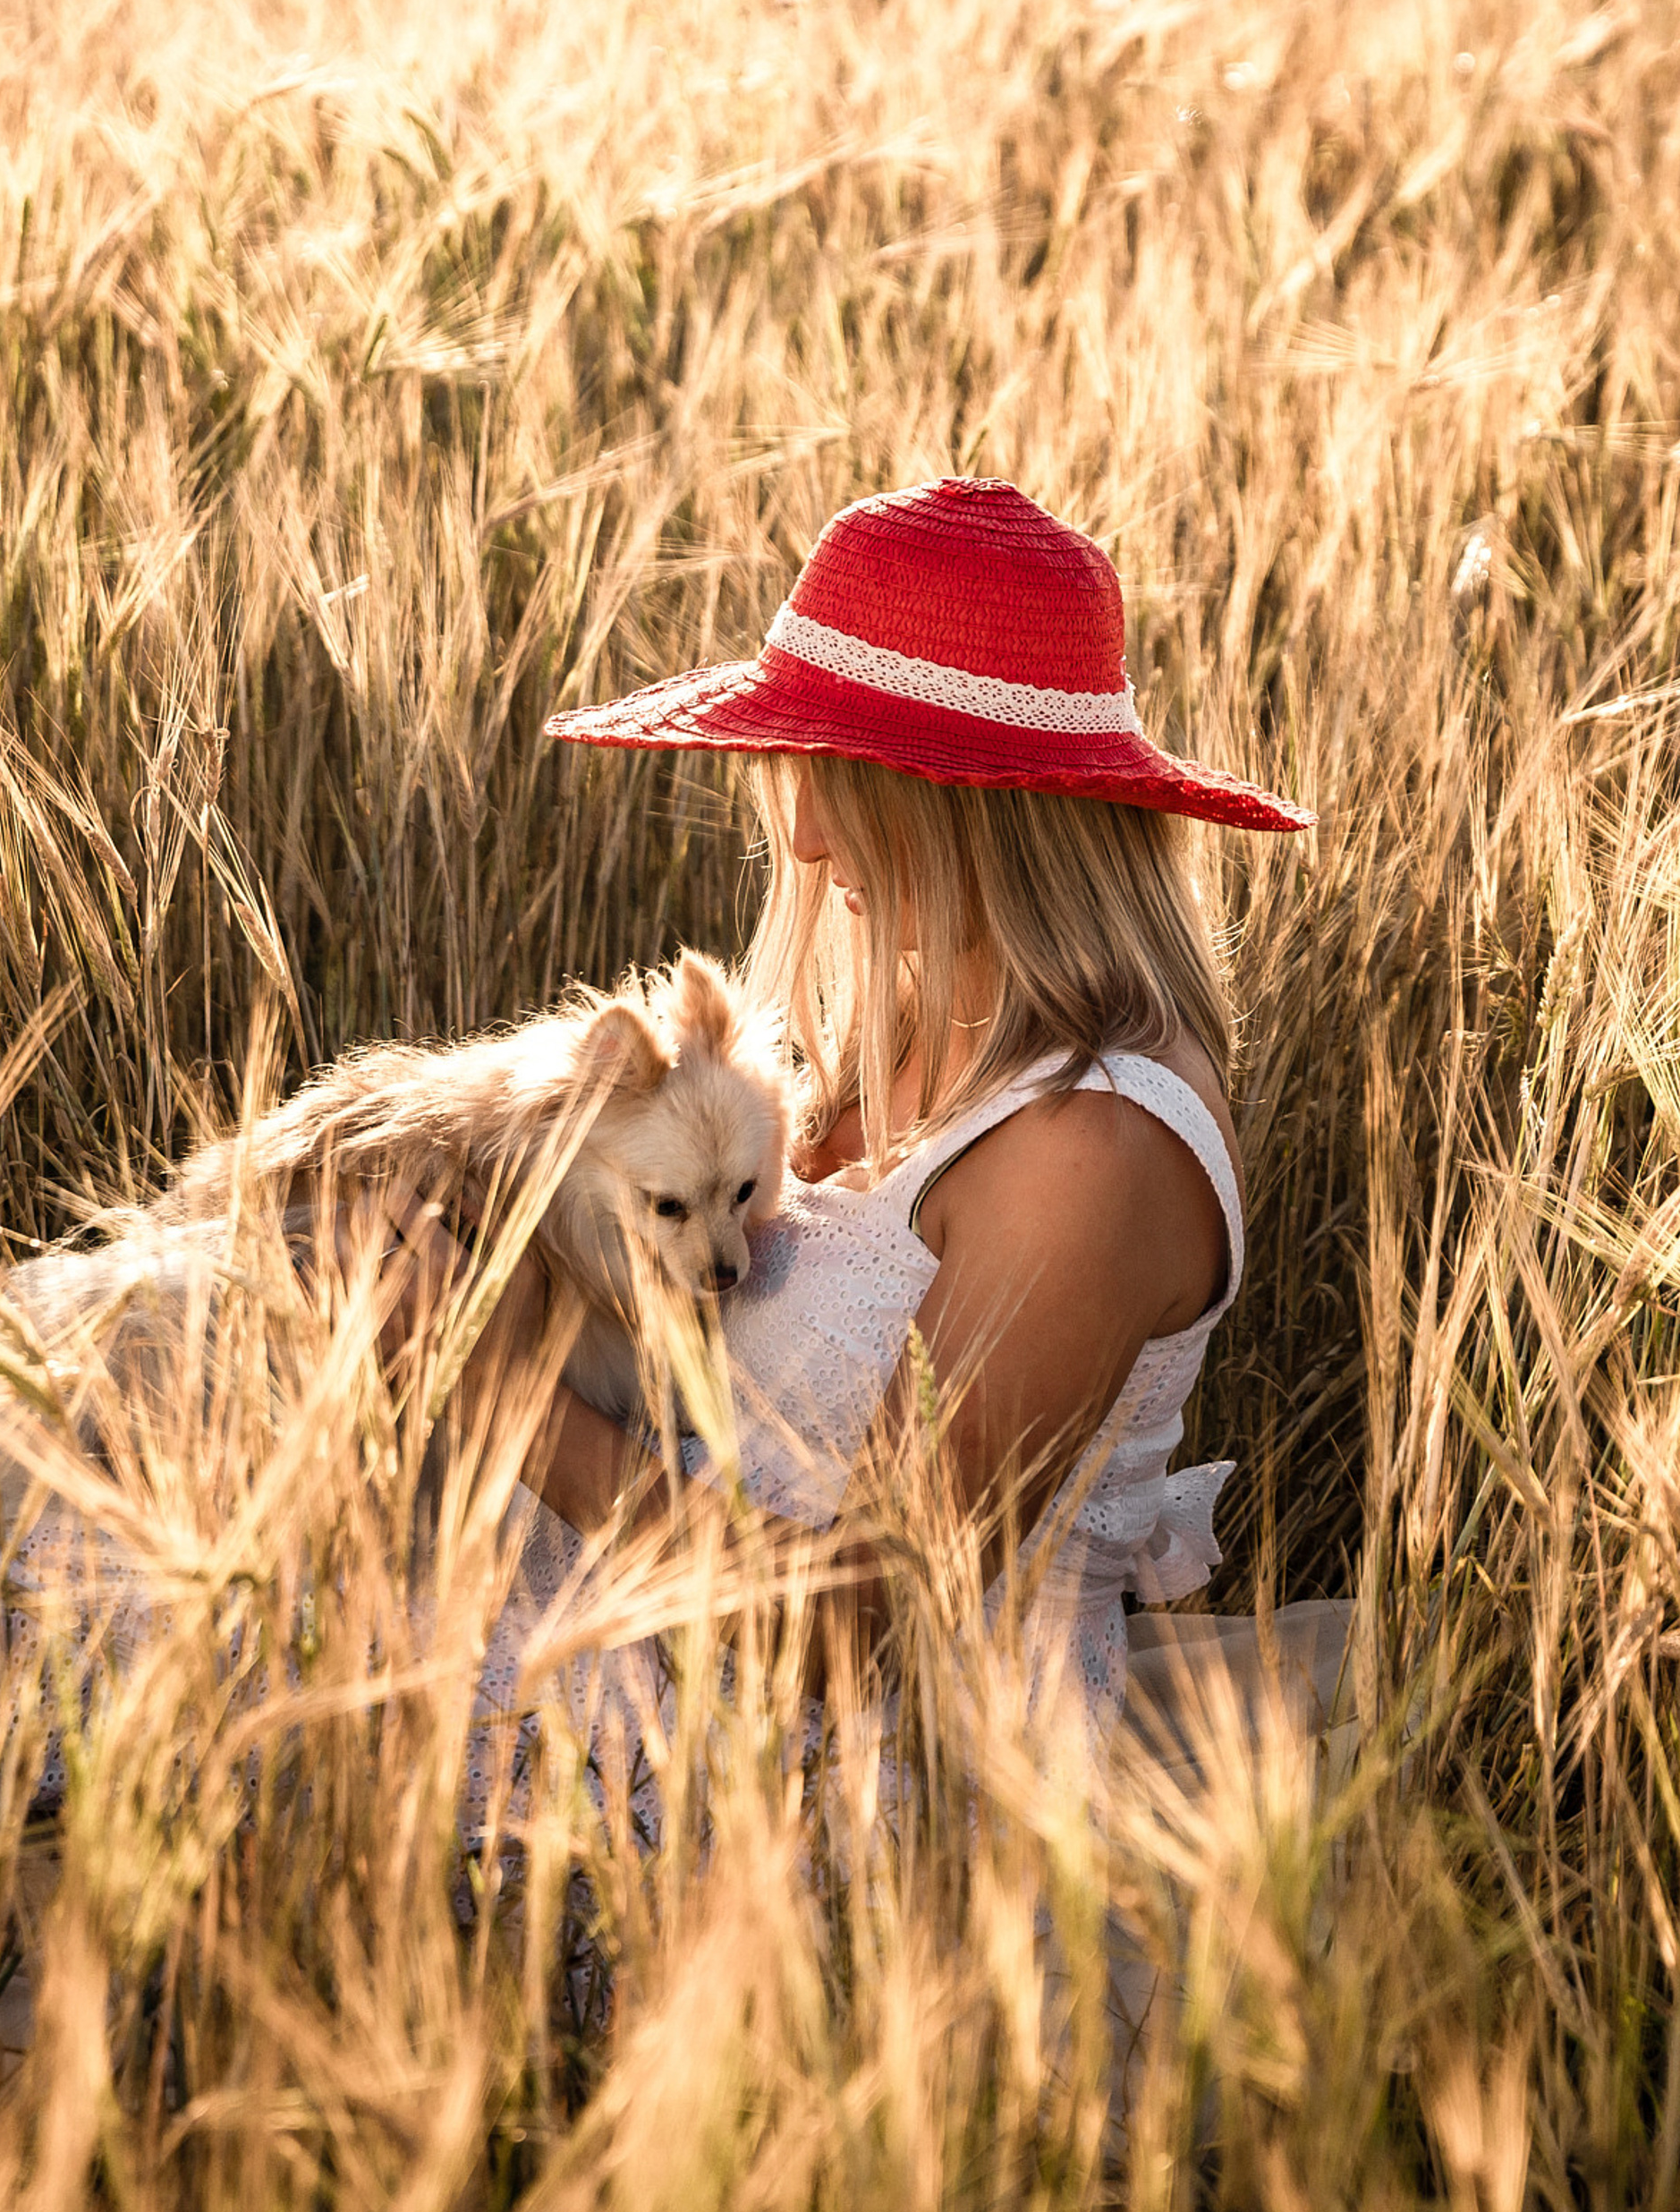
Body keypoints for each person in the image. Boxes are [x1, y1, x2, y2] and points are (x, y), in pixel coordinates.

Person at [388, 476, 1353, 1852]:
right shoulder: (907, 1018)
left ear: (977, 808)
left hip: (809, 1792)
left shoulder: (1094, 1146)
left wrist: (502, 1398)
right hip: (579, 1657)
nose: (803, 835)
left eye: (840, 783)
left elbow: (866, 1620)